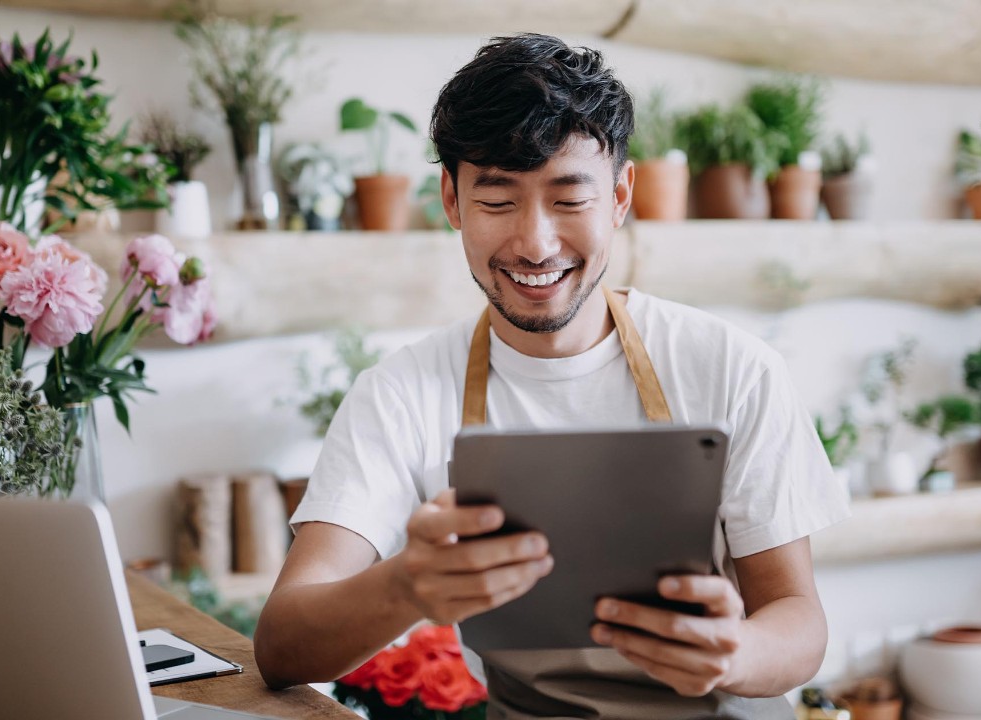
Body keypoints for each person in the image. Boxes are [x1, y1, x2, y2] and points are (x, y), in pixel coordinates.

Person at [254, 33, 849, 718]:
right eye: (498, 201)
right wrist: (405, 588)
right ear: (451, 200)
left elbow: (799, 622)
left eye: (569, 199)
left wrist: (735, 652)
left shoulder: (731, 368)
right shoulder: (399, 395)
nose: (535, 243)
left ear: (621, 195)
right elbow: (280, 644)